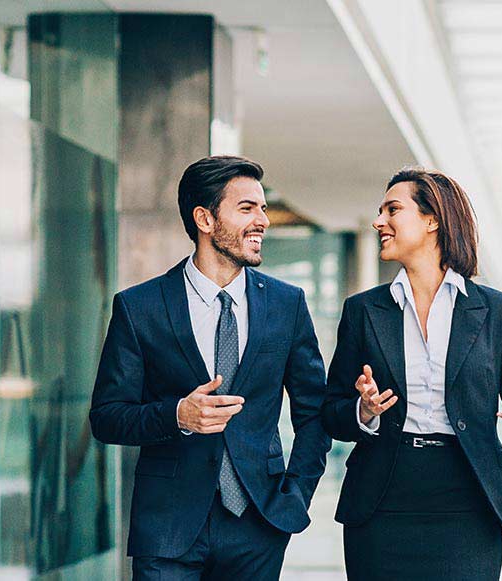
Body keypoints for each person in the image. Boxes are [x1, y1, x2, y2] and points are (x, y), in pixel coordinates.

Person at [89, 155, 331, 580]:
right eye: (246, 208)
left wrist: (295, 496)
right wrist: (177, 414)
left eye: (262, 207)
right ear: (204, 218)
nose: (263, 220)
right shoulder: (139, 307)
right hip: (167, 528)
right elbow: (107, 417)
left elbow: (315, 413)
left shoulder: (286, 304)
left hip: (259, 523)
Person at [322, 167, 502, 580]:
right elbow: (332, 413)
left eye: (393, 209)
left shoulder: (498, 311)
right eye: (380, 212)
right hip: (381, 500)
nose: (379, 222)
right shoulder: (363, 310)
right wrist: (364, 410)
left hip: (467, 501)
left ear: (432, 220)